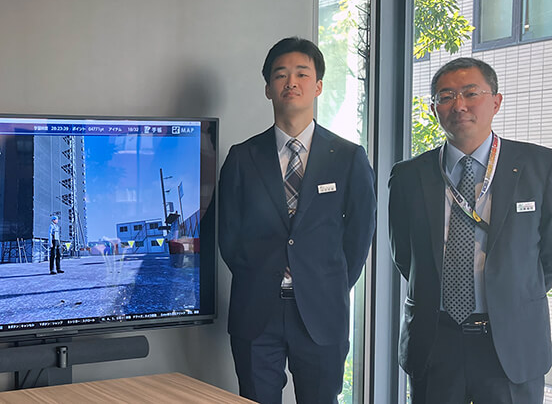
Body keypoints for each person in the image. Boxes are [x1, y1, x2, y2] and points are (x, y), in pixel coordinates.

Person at [217, 37, 375, 404]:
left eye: (302, 74)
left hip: (322, 312)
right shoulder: (242, 157)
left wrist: (324, 281)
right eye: (281, 75)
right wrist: (262, 274)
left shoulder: (348, 157)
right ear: (268, 88)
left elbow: (359, 236)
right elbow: (228, 236)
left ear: (317, 86)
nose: (291, 82)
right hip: (256, 311)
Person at [389, 57, 552, 403]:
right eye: (446, 96)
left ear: (496, 101)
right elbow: (404, 255)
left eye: (470, 93)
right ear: (434, 108)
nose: (459, 105)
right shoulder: (409, 176)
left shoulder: (541, 166)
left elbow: (548, 257)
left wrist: (513, 291)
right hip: (436, 339)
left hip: (511, 339)